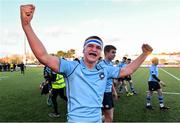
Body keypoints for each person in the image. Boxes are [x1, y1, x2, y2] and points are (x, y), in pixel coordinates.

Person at [20, 4, 153, 122]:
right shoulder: (71, 67)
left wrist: (144, 54)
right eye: (90, 46)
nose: (94, 49)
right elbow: (43, 56)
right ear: (83, 50)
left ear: (100, 52)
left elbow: (128, 70)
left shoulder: (105, 70)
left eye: (98, 47)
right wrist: (26, 25)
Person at [98, 45, 118, 122]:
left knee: (109, 116)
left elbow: (109, 80)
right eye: (113, 52)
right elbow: (98, 82)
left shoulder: (110, 64)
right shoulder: (101, 65)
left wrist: (114, 91)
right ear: (106, 52)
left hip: (108, 93)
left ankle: (94, 120)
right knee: (109, 118)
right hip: (104, 93)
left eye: (115, 52)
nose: (114, 54)